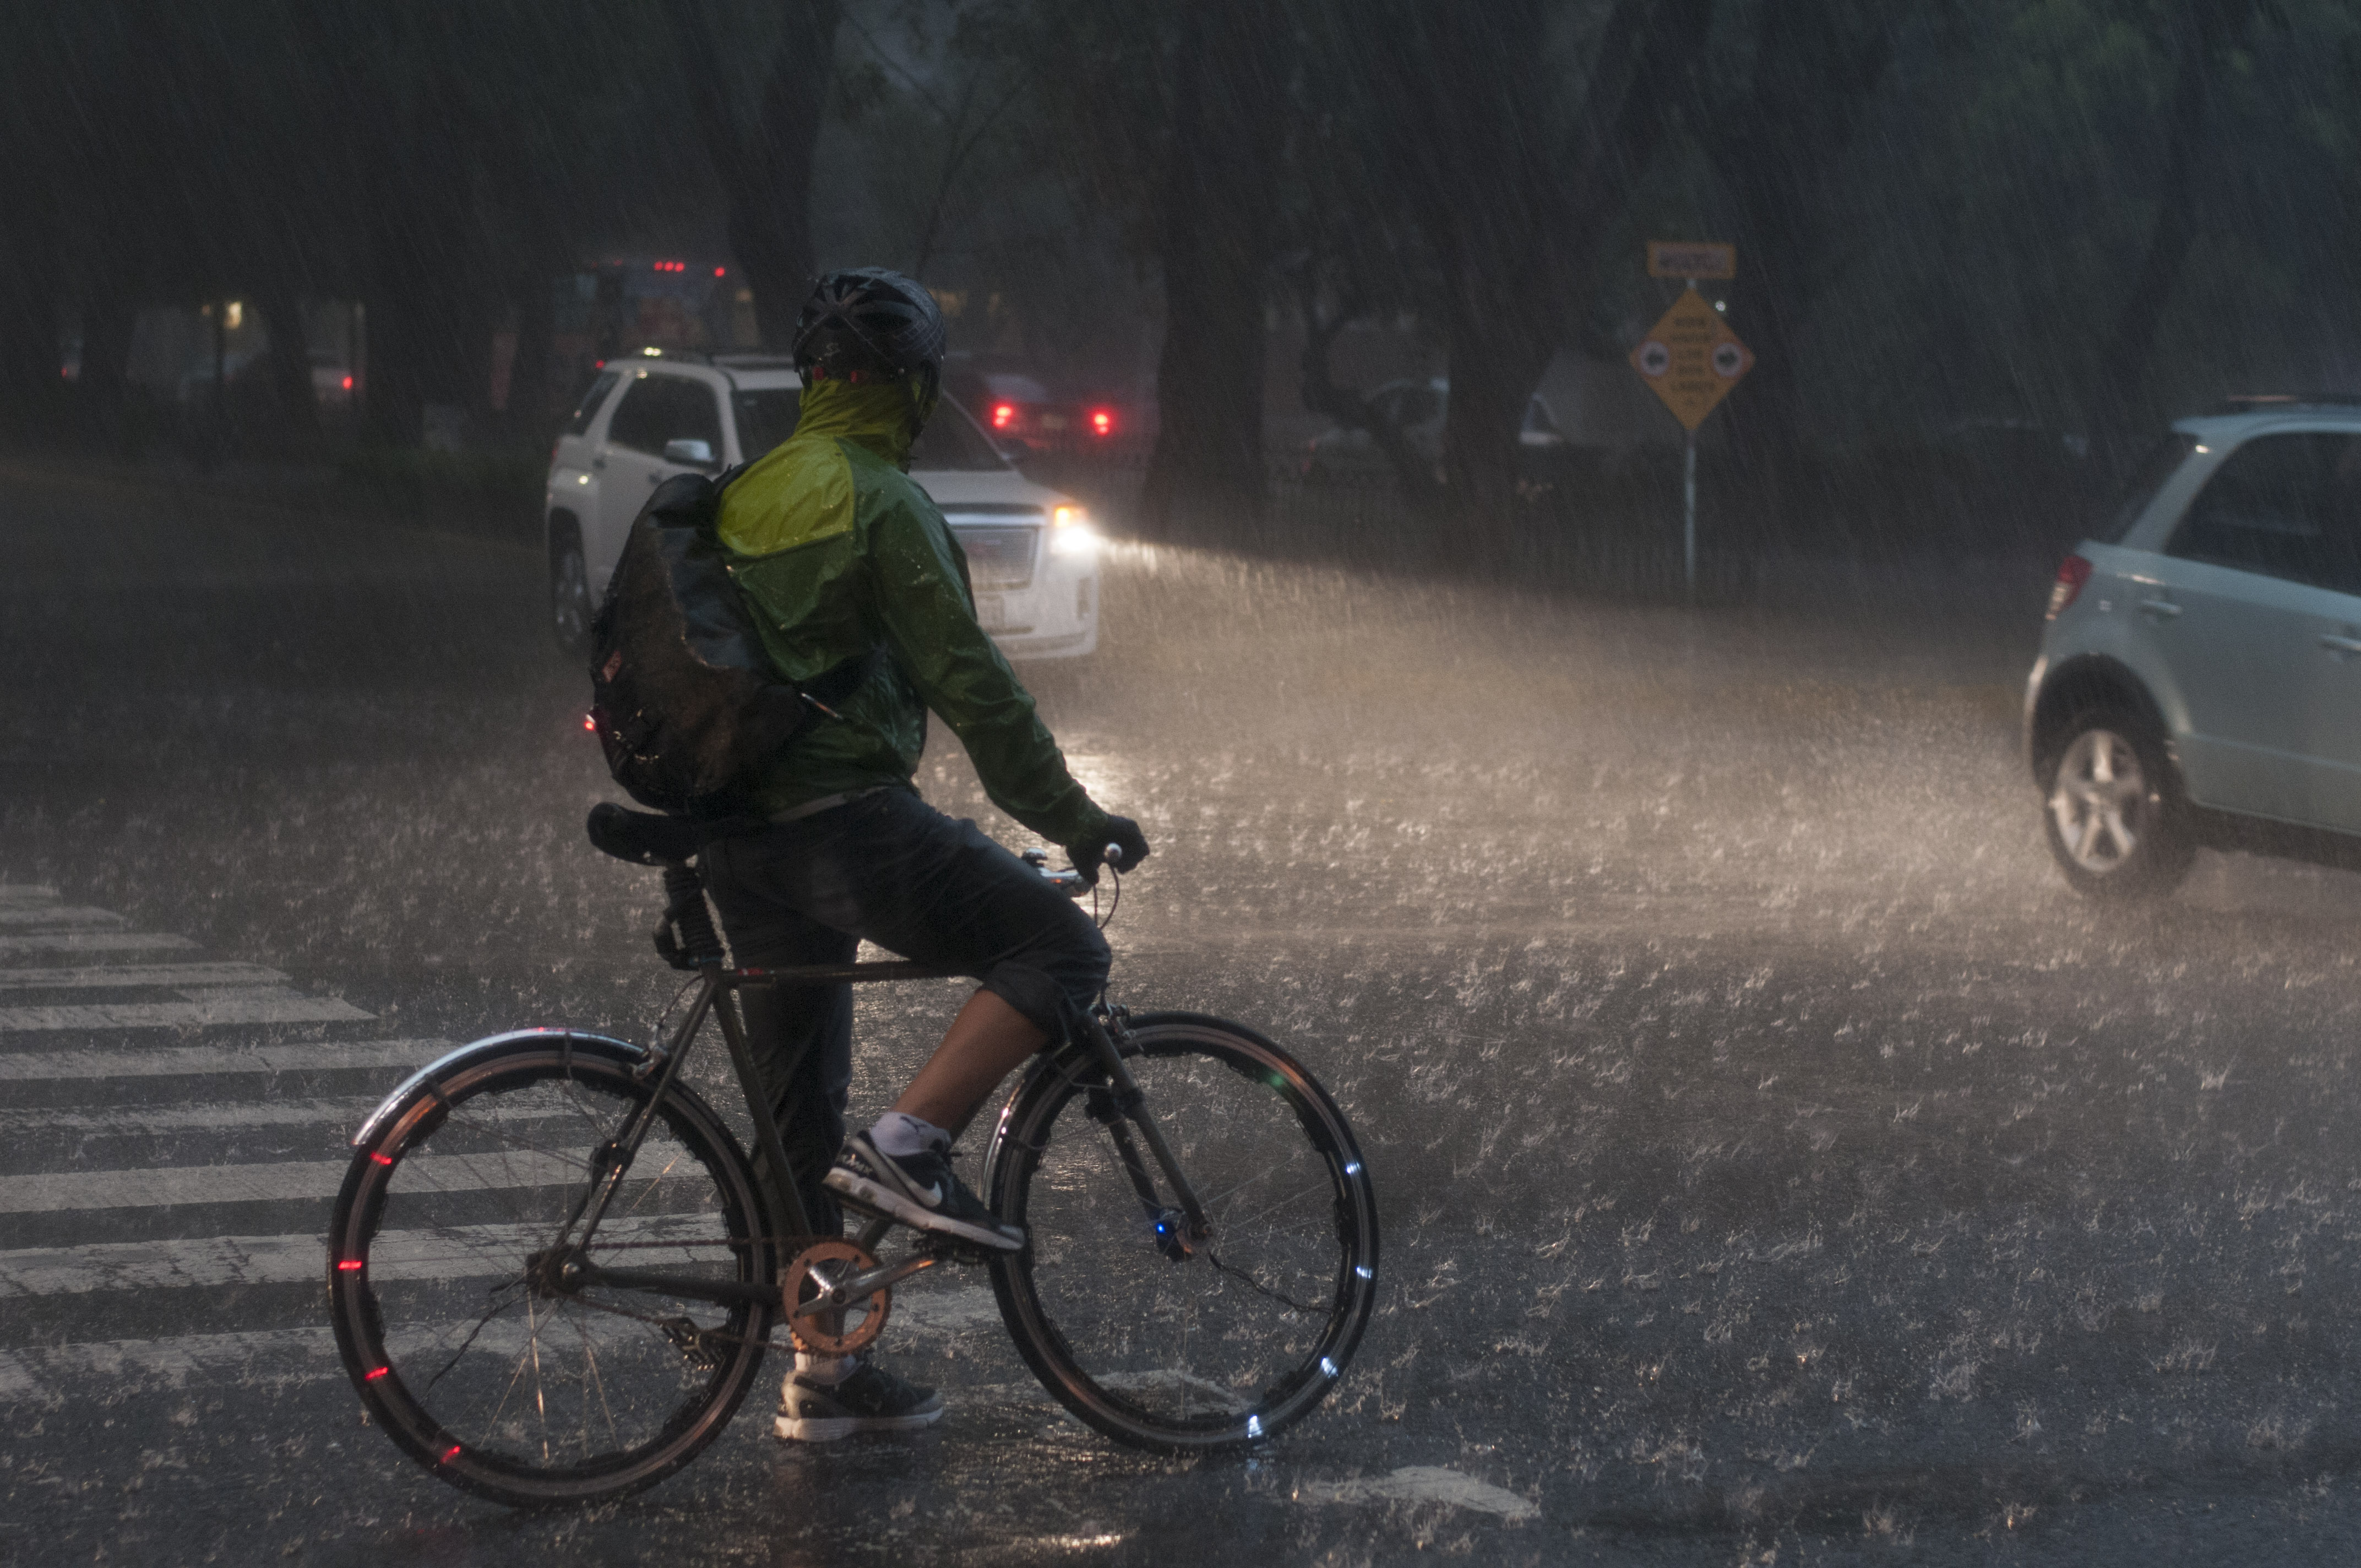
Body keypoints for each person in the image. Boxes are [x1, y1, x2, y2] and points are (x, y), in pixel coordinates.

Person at [700, 268, 1150, 1442]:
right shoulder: (880, 501)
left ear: (809, 383)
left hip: (736, 834)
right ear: (912, 387)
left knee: (797, 1112)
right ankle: (910, 1149)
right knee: (1058, 946)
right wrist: (1072, 817)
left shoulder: (747, 493)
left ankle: (827, 1372)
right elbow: (974, 688)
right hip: (839, 823)